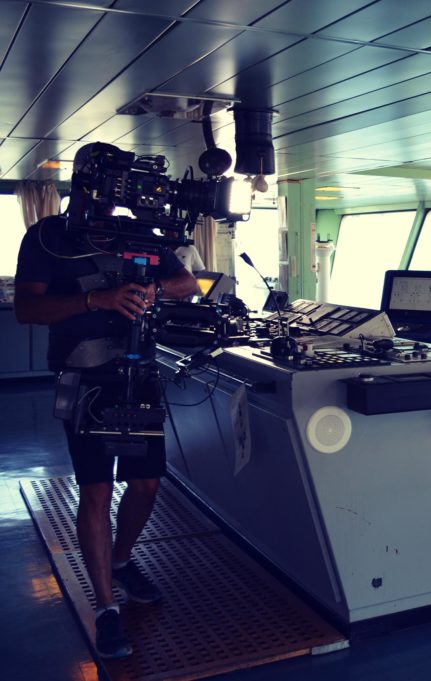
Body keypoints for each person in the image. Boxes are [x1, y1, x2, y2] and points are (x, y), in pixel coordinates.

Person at [14, 147, 199, 658]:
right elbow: (27, 308)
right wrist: (97, 300)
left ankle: (120, 560)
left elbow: (186, 282)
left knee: (145, 484)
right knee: (95, 491)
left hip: (138, 376)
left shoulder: (143, 232)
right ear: (86, 183)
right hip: (85, 377)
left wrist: (152, 290)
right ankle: (105, 607)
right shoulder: (47, 237)